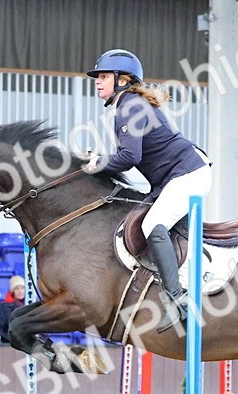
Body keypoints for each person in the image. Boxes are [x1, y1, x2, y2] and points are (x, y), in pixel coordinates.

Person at [83, 49, 212, 332]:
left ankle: (177, 299)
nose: (97, 81)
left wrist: (98, 164)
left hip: (188, 174)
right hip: (176, 176)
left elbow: (130, 158)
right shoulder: (129, 105)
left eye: (103, 76)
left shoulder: (130, 106)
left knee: (153, 223)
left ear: (122, 80)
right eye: (98, 77)